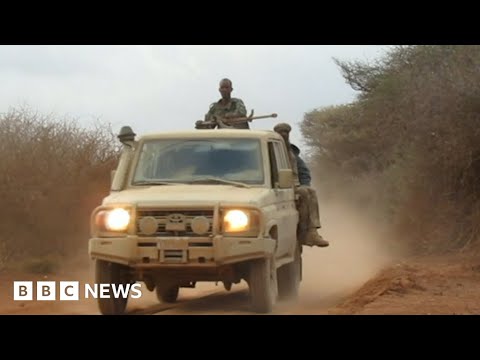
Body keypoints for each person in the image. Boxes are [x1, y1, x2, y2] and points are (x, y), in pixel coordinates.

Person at [273, 123, 329, 248]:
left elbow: (304, 172)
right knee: (305, 192)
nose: (283, 135)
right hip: (276, 187)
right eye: (281, 132)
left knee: (309, 191)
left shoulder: (292, 154)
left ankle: (312, 232)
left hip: (295, 186)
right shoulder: (270, 152)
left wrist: (304, 184)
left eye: (286, 132)